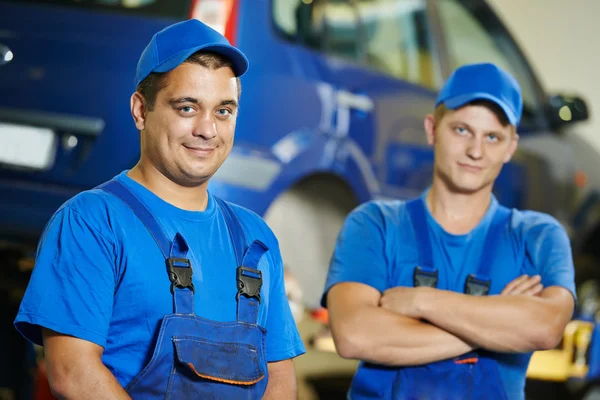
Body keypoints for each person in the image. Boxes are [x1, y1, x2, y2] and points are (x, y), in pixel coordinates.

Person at [14, 19, 305, 400]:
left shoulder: (256, 237)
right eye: (187, 108)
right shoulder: (92, 222)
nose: (208, 129)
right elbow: (73, 372)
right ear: (140, 110)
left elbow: (280, 378)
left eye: (223, 111)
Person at [322, 62, 576, 400]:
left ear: (511, 145)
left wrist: (421, 301)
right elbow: (355, 335)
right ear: (432, 128)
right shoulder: (375, 224)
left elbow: (546, 329)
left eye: (492, 137)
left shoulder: (537, 236)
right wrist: (498, 322)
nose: (476, 151)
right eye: (461, 130)